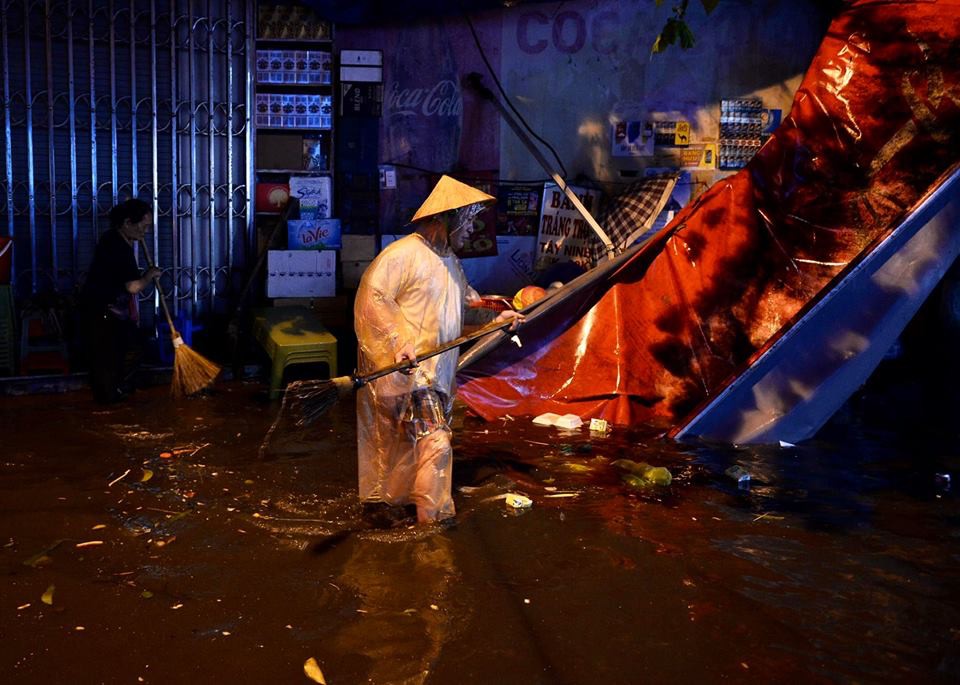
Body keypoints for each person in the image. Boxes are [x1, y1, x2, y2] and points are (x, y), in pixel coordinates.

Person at [354, 175, 523, 525]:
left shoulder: (450, 264)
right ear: (447, 218)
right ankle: (433, 522)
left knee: (409, 448)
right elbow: (373, 300)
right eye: (467, 219)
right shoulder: (402, 255)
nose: (471, 228)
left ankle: (393, 510)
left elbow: (465, 309)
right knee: (436, 442)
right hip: (410, 373)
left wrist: (497, 318)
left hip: (437, 374)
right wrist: (398, 342)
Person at [80, 199, 161, 403]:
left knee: (122, 352)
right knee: (113, 357)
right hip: (103, 312)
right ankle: (109, 400)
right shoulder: (116, 245)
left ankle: (114, 391)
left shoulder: (117, 240)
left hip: (109, 311)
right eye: (143, 226)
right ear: (127, 223)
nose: (146, 232)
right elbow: (133, 286)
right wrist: (149, 275)